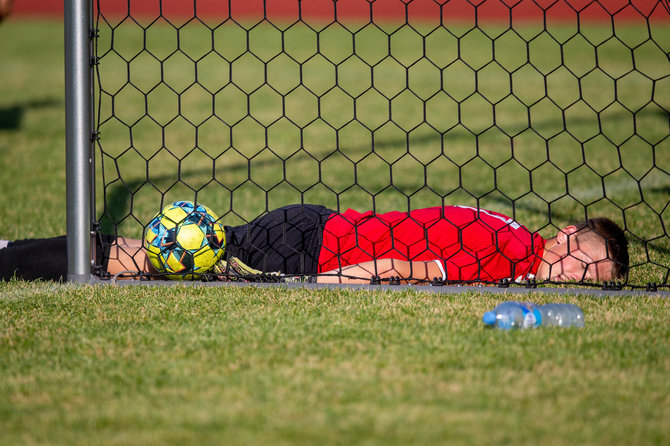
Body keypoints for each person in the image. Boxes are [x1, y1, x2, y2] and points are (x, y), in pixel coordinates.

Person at [0, 204, 628, 284]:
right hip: (310, 249)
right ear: (568, 234)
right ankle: (13, 258)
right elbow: (417, 267)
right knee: (150, 263)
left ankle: (13, 250)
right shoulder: (518, 254)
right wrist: (329, 282)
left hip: (312, 226)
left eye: (589, 282)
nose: (577, 276)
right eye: (586, 263)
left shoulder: (512, 231)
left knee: (156, 258)